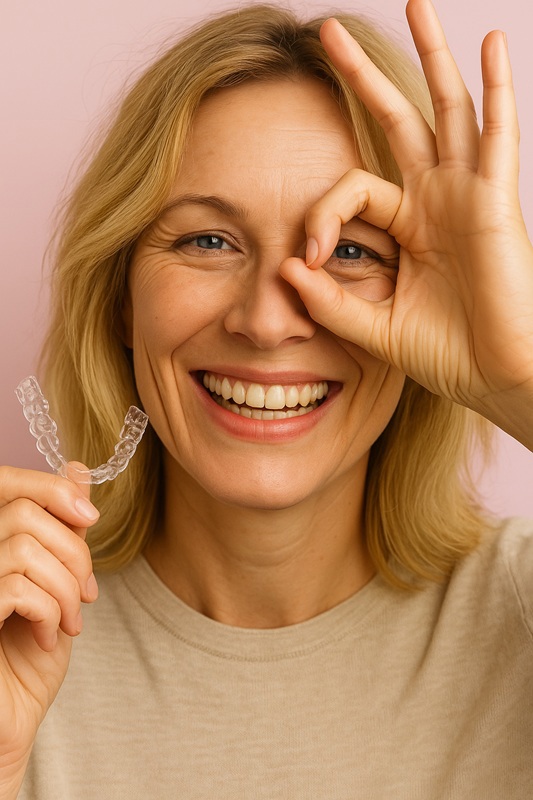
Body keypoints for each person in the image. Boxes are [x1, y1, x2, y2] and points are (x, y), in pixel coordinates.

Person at [1, 0, 532, 796]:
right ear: (120, 296)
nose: (266, 320)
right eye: (208, 241)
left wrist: (518, 379)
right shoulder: (16, 639)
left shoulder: (517, 610)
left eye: (349, 250)